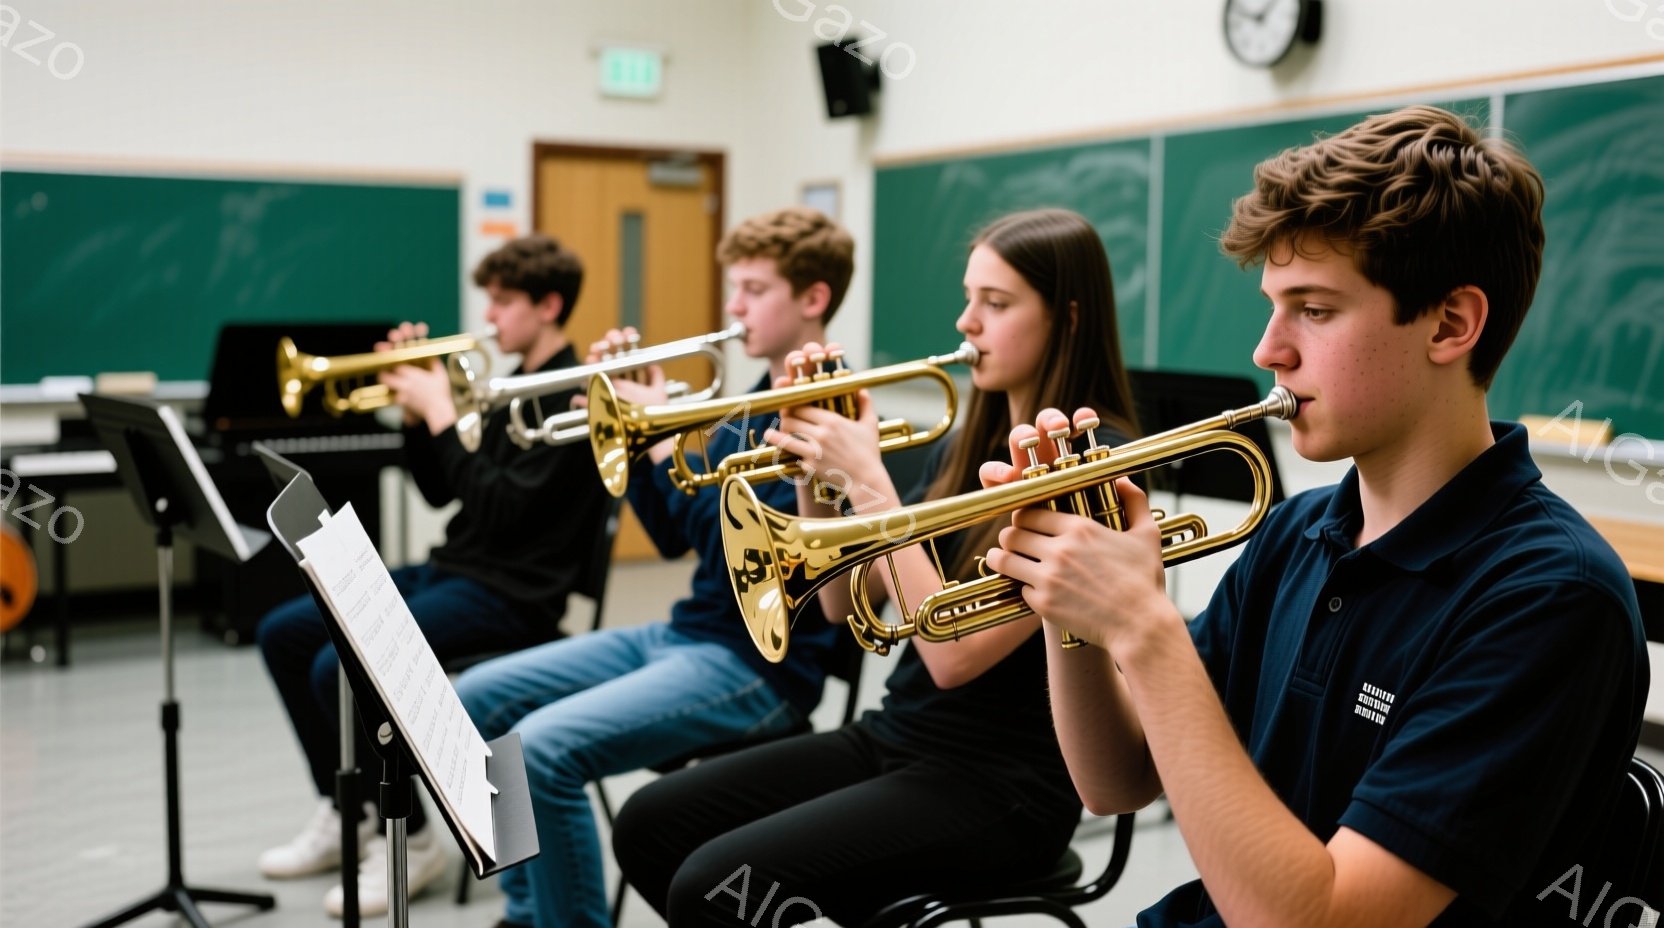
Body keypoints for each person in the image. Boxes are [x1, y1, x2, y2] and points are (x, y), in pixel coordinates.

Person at [986, 106, 1648, 926]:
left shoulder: (1550, 597)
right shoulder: (1295, 532)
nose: (1268, 350)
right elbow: (1114, 779)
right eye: (1273, 305)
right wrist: (1071, 602)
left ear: (1451, 323)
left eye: (1316, 309)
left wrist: (1146, 629)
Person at [609, 208, 1143, 928]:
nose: (966, 324)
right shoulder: (968, 443)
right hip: (900, 736)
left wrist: (870, 481)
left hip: (1000, 783)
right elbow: (839, 607)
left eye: (995, 303)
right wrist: (811, 476)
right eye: (967, 298)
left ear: (1068, 316)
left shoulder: (1090, 459)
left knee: (712, 884)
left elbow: (954, 658)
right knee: (649, 822)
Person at [454, 205, 850, 928]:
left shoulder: (830, 408)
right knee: (478, 698)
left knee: (542, 753)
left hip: (758, 668)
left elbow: (747, 549)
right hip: (685, 635)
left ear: (813, 299)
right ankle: (527, 913)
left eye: (754, 289)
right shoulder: (751, 402)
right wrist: (634, 442)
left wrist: (667, 444)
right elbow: (674, 537)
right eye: (734, 288)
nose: (733, 307)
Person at [254, 234, 611, 917]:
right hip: (457, 569)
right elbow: (440, 492)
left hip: (515, 596)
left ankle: (414, 838)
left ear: (549, 306)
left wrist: (445, 413)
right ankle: (347, 809)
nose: (490, 316)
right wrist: (420, 419)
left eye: (505, 302)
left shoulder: (569, 399)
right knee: (284, 633)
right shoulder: (505, 387)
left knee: (341, 669)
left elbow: (503, 511)